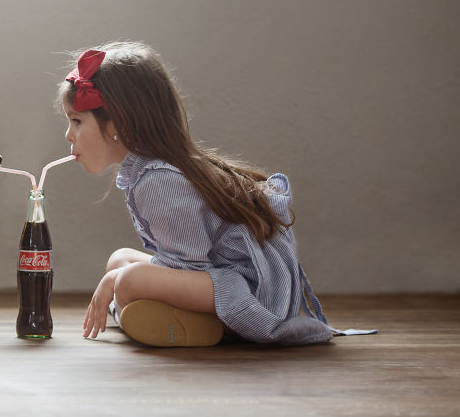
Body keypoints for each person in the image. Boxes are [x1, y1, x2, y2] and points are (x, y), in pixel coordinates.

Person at [59, 41, 371, 347]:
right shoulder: (146, 173)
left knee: (127, 279)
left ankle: (211, 324)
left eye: (76, 121)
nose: (68, 134)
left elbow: (187, 269)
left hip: (244, 290)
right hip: (219, 278)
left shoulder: (157, 181)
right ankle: (164, 317)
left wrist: (118, 283)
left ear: (120, 123)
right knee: (120, 260)